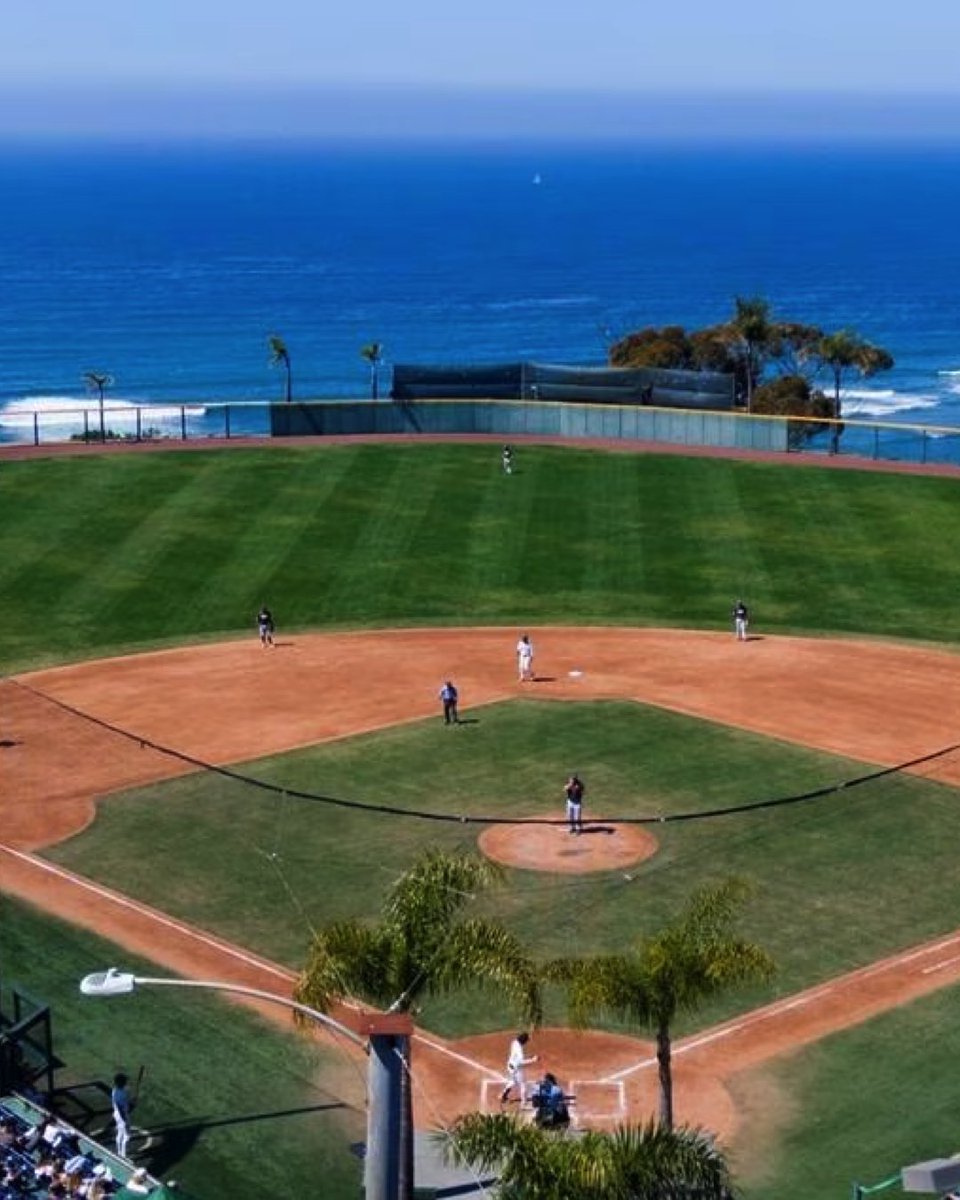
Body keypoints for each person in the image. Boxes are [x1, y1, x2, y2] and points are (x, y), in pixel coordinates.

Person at [500, 1032, 537, 1104]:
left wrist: (529, 1056)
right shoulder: (520, 1050)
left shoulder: (514, 1042)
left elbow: (518, 1056)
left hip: (510, 1066)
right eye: (526, 1041)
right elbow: (521, 1062)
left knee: (512, 1082)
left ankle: (503, 1095)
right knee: (523, 1084)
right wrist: (533, 1060)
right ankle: (524, 1102)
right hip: (517, 1069)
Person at [111, 1072, 132, 1159]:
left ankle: (119, 1152)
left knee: (120, 1133)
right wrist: (125, 1120)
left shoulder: (116, 1090)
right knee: (127, 1136)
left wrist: (132, 1102)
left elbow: (124, 1103)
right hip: (122, 1116)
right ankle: (123, 1156)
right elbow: (121, 1108)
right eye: (125, 1081)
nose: (126, 1082)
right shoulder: (119, 1094)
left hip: (118, 1115)